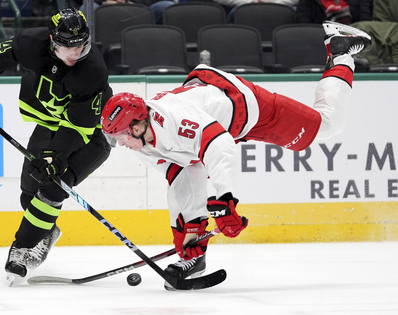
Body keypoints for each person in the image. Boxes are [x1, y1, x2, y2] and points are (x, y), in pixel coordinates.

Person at [100, 21, 371, 289]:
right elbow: (183, 176)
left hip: (249, 108)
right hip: (220, 117)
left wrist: (224, 200)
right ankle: (195, 259)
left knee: (328, 124)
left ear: (136, 126)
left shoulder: (177, 122)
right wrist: (188, 237)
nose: (120, 143)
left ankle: (340, 52)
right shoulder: (142, 141)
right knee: (184, 176)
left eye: (121, 136)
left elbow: (220, 147)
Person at [0, 8, 113, 283]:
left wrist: (54, 157)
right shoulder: (30, 44)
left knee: (52, 184)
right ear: (52, 40)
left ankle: (23, 249)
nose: (75, 53)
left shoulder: (93, 71)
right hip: (49, 126)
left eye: (81, 46)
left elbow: (78, 129)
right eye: (67, 47)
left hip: (92, 135)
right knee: (29, 193)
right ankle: (46, 232)